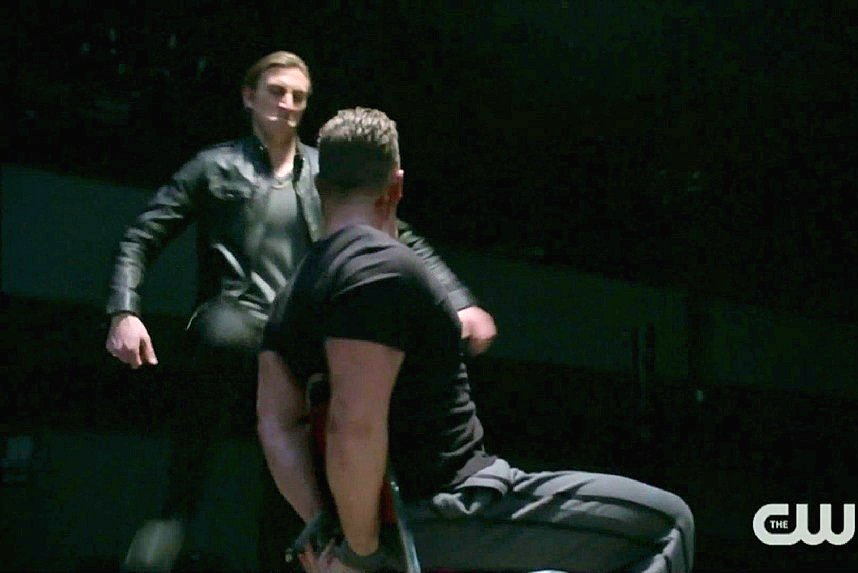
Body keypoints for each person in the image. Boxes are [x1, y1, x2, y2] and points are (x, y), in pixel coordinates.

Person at [105, 52, 497, 572]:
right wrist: (124, 311)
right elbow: (142, 235)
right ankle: (175, 514)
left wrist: (460, 298)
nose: (288, 104)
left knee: (299, 464)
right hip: (234, 323)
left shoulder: (323, 172)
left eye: (299, 96)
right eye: (277, 92)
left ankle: (318, 541)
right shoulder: (214, 166)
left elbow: (399, 230)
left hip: (295, 331)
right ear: (249, 97)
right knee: (224, 343)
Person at [258, 107, 694, 573]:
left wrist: (328, 529)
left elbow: (278, 425)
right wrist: (360, 554)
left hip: (410, 521)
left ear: (320, 187)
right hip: (453, 506)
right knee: (668, 523)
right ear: (396, 186)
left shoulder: (292, 293)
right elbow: (354, 424)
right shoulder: (378, 265)